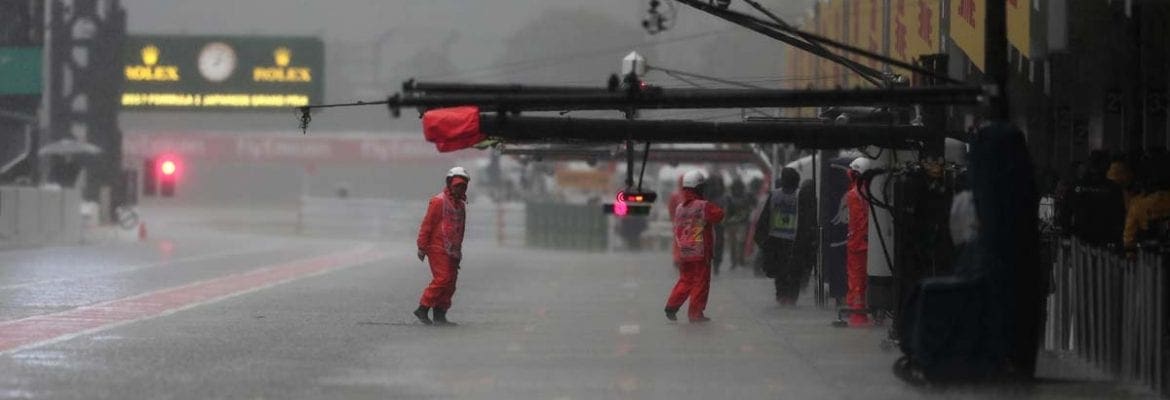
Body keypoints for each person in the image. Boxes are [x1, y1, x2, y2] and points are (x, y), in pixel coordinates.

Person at [665, 170, 725, 323]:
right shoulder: (703, 205)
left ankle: (672, 305)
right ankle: (695, 313)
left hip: (684, 250)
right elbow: (719, 215)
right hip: (700, 251)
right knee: (701, 281)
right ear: (698, 188)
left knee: (686, 279)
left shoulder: (680, 208)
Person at [413, 167, 470, 326]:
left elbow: (461, 229)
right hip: (437, 247)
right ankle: (423, 308)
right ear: (449, 184)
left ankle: (440, 313)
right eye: (457, 185)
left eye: (463, 186)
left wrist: (458, 251)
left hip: (452, 251)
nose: (460, 188)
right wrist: (422, 247)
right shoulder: (438, 201)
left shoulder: (461, 205)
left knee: (451, 283)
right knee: (443, 278)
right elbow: (427, 225)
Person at [754, 167, 802, 305]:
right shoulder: (799, 195)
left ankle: (781, 295)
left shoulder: (774, 195)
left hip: (776, 237)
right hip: (793, 238)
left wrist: (762, 237)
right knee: (791, 269)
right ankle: (791, 297)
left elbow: (765, 216)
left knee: (780, 269)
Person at [844, 160, 870, 326]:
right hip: (869, 244)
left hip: (857, 244)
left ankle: (858, 315)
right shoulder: (872, 192)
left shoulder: (853, 194)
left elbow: (854, 221)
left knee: (857, 280)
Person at [724, 179, 752, 269]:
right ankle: (740, 260)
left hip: (733, 223)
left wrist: (727, 221)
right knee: (740, 243)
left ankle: (735, 261)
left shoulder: (729, 197)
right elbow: (748, 210)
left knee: (734, 243)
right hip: (741, 223)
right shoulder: (745, 197)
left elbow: (726, 211)